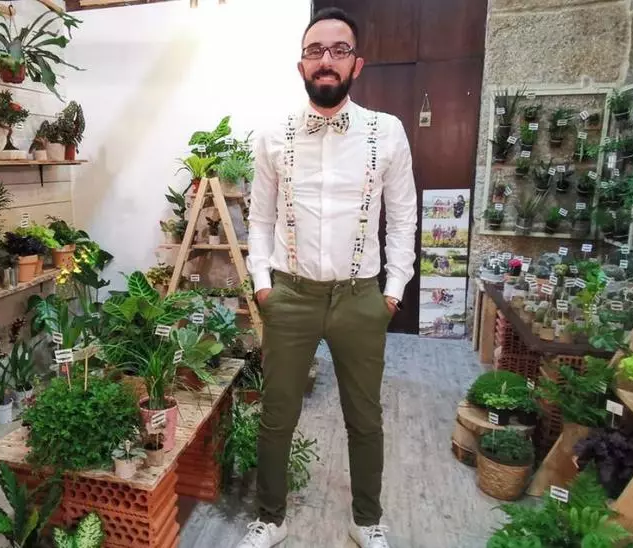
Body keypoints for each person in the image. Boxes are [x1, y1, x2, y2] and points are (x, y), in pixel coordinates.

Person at [237, 7, 417, 548]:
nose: (326, 60)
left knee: (365, 417)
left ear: (356, 64)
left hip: (361, 298)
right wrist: (263, 285)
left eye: (339, 50)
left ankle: (367, 520)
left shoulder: (387, 132)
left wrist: (391, 293)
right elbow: (259, 219)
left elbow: (403, 218)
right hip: (290, 295)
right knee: (277, 414)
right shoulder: (273, 135)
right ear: (301, 65)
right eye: (316, 51)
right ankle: (271, 518)